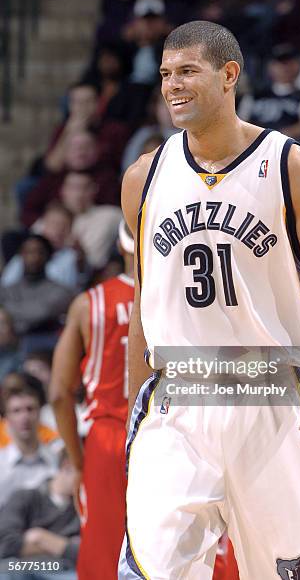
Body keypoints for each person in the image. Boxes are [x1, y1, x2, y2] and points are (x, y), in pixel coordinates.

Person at [118, 20, 300, 579]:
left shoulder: (289, 167)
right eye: (165, 74)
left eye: (187, 71)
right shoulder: (143, 176)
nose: (172, 85)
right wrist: (136, 406)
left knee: (297, 572)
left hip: (273, 399)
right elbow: (143, 302)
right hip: (177, 401)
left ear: (229, 75)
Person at [50, 221, 135, 580]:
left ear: (119, 244)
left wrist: (79, 462)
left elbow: (57, 394)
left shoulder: (90, 304)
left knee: (104, 557)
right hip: (170, 433)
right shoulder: (183, 300)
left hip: (108, 439)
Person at [0, 448, 80, 569]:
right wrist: (63, 546)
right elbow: (5, 545)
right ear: (67, 466)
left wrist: (40, 537)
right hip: (20, 572)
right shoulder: (25, 498)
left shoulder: (82, 511)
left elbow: (87, 554)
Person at [0, 235, 74, 351]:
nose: (33, 257)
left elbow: (40, 313)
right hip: (10, 346)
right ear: (21, 255)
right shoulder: (7, 290)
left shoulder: (61, 291)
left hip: (44, 347)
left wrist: (10, 313)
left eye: (39, 252)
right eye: (28, 252)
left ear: (48, 256)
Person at [0, 372, 60, 509]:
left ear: (40, 411)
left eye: (30, 409)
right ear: (6, 416)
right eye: (16, 411)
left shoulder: (56, 459)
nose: (24, 417)